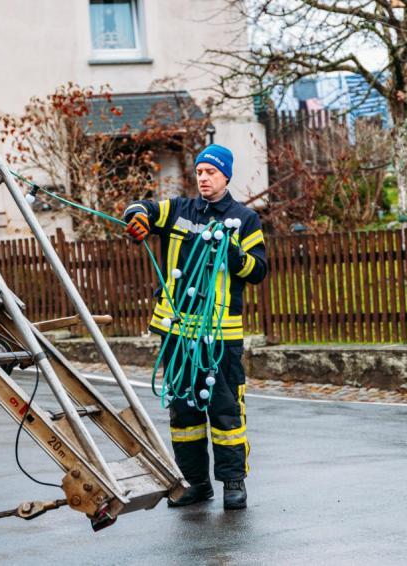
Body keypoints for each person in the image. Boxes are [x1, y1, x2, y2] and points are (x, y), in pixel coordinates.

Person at [122, 144, 267, 510]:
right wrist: (136, 216)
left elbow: (258, 270)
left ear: (226, 176)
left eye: (211, 173)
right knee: (184, 412)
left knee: (225, 411)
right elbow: (145, 210)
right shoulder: (179, 210)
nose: (204, 178)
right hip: (177, 331)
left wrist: (233, 254)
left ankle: (233, 483)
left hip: (220, 336)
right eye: (200, 172)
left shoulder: (244, 220)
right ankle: (195, 484)